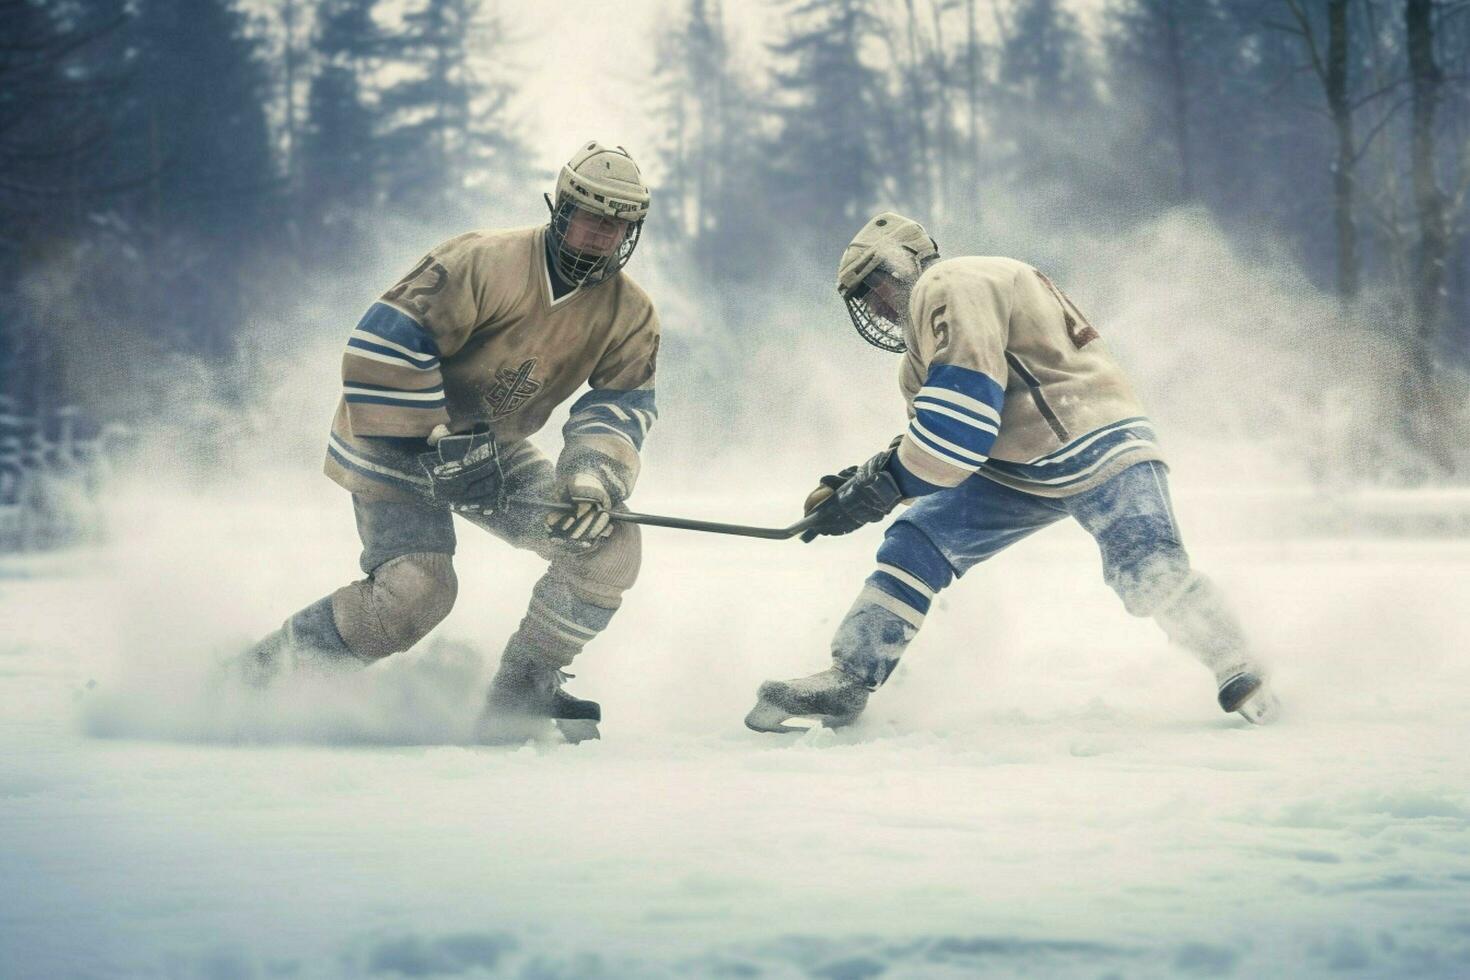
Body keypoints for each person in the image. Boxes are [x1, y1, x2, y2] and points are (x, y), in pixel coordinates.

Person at [745, 211, 1277, 733]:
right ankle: (849, 678)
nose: (876, 306)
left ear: (908, 264)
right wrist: (857, 484)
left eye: (876, 286)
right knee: (916, 541)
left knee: (1145, 569)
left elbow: (958, 430)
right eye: (863, 299)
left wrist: (877, 488)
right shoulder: (922, 348)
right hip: (1017, 464)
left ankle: (1238, 664)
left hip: (1093, 436)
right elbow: (941, 443)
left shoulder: (948, 283)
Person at [241, 142, 660, 743]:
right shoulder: (481, 261)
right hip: (394, 438)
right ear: (563, 208)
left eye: (618, 222)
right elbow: (380, 344)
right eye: (593, 216)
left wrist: (591, 479)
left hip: (493, 447)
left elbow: (621, 403)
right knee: (419, 592)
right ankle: (259, 680)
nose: (603, 235)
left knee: (606, 542)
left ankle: (523, 688)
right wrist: (438, 439)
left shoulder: (631, 311)